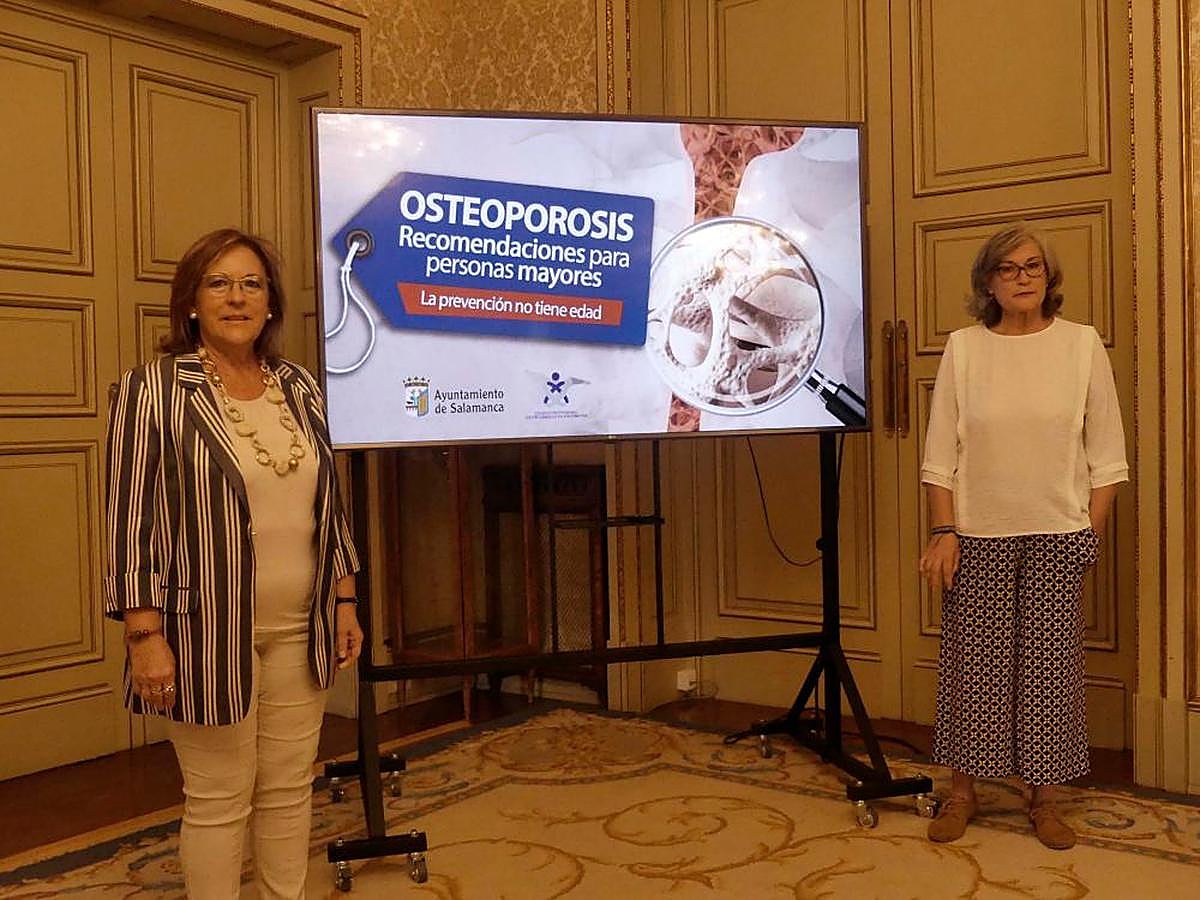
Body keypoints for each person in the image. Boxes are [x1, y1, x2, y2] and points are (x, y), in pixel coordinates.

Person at [104, 228, 364, 898]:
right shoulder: (152, 390)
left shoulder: (299, 388)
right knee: (220, 799)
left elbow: (328, 505)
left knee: (285, 791)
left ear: (271, 303)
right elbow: (129, 524)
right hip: (198, 635)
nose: (237, 298)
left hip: (300, 628)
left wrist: (345, 599)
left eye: (251, 284)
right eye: (218, 283)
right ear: (190, 301)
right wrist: (143, 635)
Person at [918, 222, 1127, 850]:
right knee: (972, 669)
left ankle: (1045, 800)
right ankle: (963, 792)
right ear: (988, 282)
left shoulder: (1082, 345)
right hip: (977, 532)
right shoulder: (965, 348)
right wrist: (943, 530)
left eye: (1033, 266)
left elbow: (1108, 455)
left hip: (1059, 531)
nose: (1023, 276)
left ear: (1049, 277)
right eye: (1008, 268)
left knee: (1048, 671)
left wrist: (1088, 532)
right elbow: (939, 454)